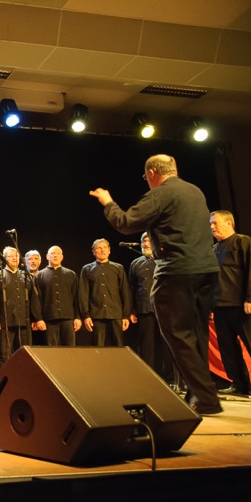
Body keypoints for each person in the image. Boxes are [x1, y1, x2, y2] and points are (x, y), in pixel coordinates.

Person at [89, 154, 222, 415]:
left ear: (151, 173)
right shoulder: (194, 191)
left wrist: (108, 202)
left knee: (177, 334)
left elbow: (125, 223)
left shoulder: (161, 194)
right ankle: (197, 393)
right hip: (206, 270)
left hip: (177, 271)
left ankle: (207, 399)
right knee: (196, 335)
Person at [209, 210, 251, 397]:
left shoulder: (245, 242)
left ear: (229, 223)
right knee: (227, 348)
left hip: (241, 305)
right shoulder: (214, 250)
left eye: (215, 223)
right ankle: (238, 383)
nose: (212, 227)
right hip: (220, 306)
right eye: (210, 224)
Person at [0, 247, 44, 375]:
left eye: (16, 256)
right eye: (11, 256)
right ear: (4, 259)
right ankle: (3, 384)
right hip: (4, 323)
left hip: (24, 322)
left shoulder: (25, 276)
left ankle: (23, 381)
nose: (14, 258)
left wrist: (36, 318)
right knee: (4, 354)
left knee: (25, 354)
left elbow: (33, 299)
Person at [128, 233, 174, 383]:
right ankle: (147, 378)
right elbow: (132, 289)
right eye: (143, 241)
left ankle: (170, 378)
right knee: (146, 344)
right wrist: (132, 310)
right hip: (144, 308)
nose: (146, 244)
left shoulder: (165, 260)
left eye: (149, 241)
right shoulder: (135, 263)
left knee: (167, 344)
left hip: (164, 309)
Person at [78, 238, 131, 346]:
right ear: (93, 252)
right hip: (96, 314)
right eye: (99, 248)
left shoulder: (118, 268)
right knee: (98, 347)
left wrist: (125, 316)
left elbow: (125, 293)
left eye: (104, 248)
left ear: (109, 250)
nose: (102, 250)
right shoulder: (87, 269)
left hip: (115, 313)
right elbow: (83, 294)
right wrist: (86, 315)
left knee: (119, 346)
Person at [34, 245, 81, 346]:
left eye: (58, 253)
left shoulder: (71, 274)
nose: (55, 256)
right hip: (49, 319)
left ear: (62, 257)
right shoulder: (39, 276)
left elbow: (76, 297)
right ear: (47, 256)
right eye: (52, 253)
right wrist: (39, 318)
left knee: (70, 350)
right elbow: (36, 300)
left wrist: (78, 317)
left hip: (68, 319)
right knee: (51, 351)